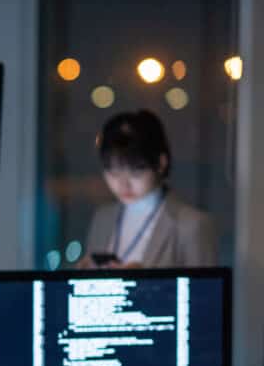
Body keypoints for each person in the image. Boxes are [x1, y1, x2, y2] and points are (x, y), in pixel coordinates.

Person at [80, 108, 217, 268]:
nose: (123, 184)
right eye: (113, 172)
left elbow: (205, 292)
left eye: (136, 172)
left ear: (160, 163)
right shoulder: (102, 218)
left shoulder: (191, 225)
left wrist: (144, 282)